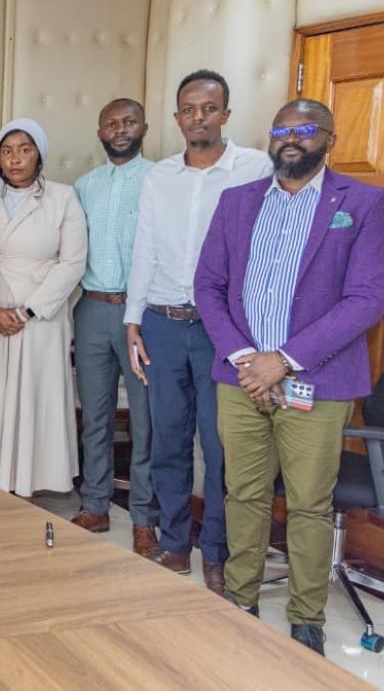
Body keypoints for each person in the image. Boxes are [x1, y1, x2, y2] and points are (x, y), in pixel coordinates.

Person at [196, 99, 384, 655]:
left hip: (317, 382)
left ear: (330, 136)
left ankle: (307, 620)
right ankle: (240, 600)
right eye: (283, 129)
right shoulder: (236, 202)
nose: (292, 138)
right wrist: (244, 357)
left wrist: (286, 359)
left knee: (307, 503)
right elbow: (208, 285)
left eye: (305, 129)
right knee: (243, 493)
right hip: (240, 379)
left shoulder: (364, 203)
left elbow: (367, 299)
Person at [125, 70, 272, 591]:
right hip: (163, 324)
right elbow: (144, 249)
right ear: (177, 117)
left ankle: (216, 550)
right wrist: (132, 319)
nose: (198, 118)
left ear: (226, 115)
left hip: (223, 330)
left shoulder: (255, 167)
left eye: (208, 109)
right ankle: (173, 543)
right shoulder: (160, 176)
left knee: (219, 444)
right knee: (168, 438)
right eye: (188, 109)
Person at [0, 119, 87, 495]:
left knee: (35, 398)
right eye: (7, 150)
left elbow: (73, 263)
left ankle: (30, 484)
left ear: (40, 155)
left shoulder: (62, 197)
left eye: (25, 149)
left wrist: (25, 311)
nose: (15, 158)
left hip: (38, 319)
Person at [69, 98, 158, 556]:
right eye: (111, 124)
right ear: (100, 132)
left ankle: (143, 517)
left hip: (143, 315)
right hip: (91, 310)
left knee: (146, 420)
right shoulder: (83, 186)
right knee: (95, 417)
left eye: (129, 122)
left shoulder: (162, 180)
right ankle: (96, 506)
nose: (120, 129)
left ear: (145, 125)